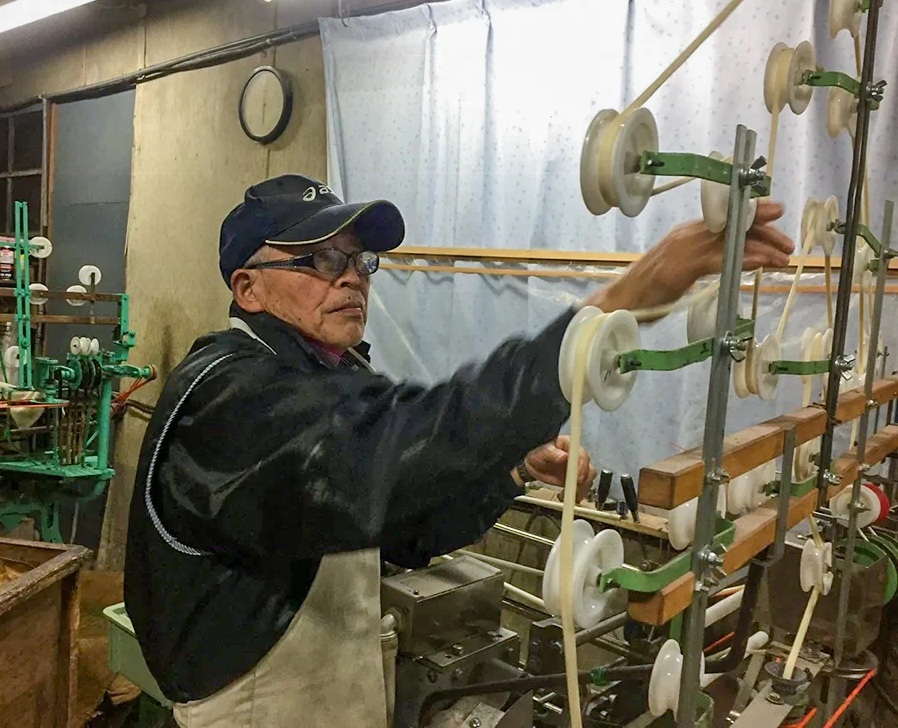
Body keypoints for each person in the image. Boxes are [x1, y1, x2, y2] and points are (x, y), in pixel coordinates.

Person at [125, 174, 792, 727]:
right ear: (249, 288)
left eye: (359, 261)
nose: (352, 278)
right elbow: (414, 432)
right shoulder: (230, 398)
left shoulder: (331, 379)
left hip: (339, 694)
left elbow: (403, 535)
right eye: (322, 260)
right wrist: (633, 295)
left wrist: (510, 470)